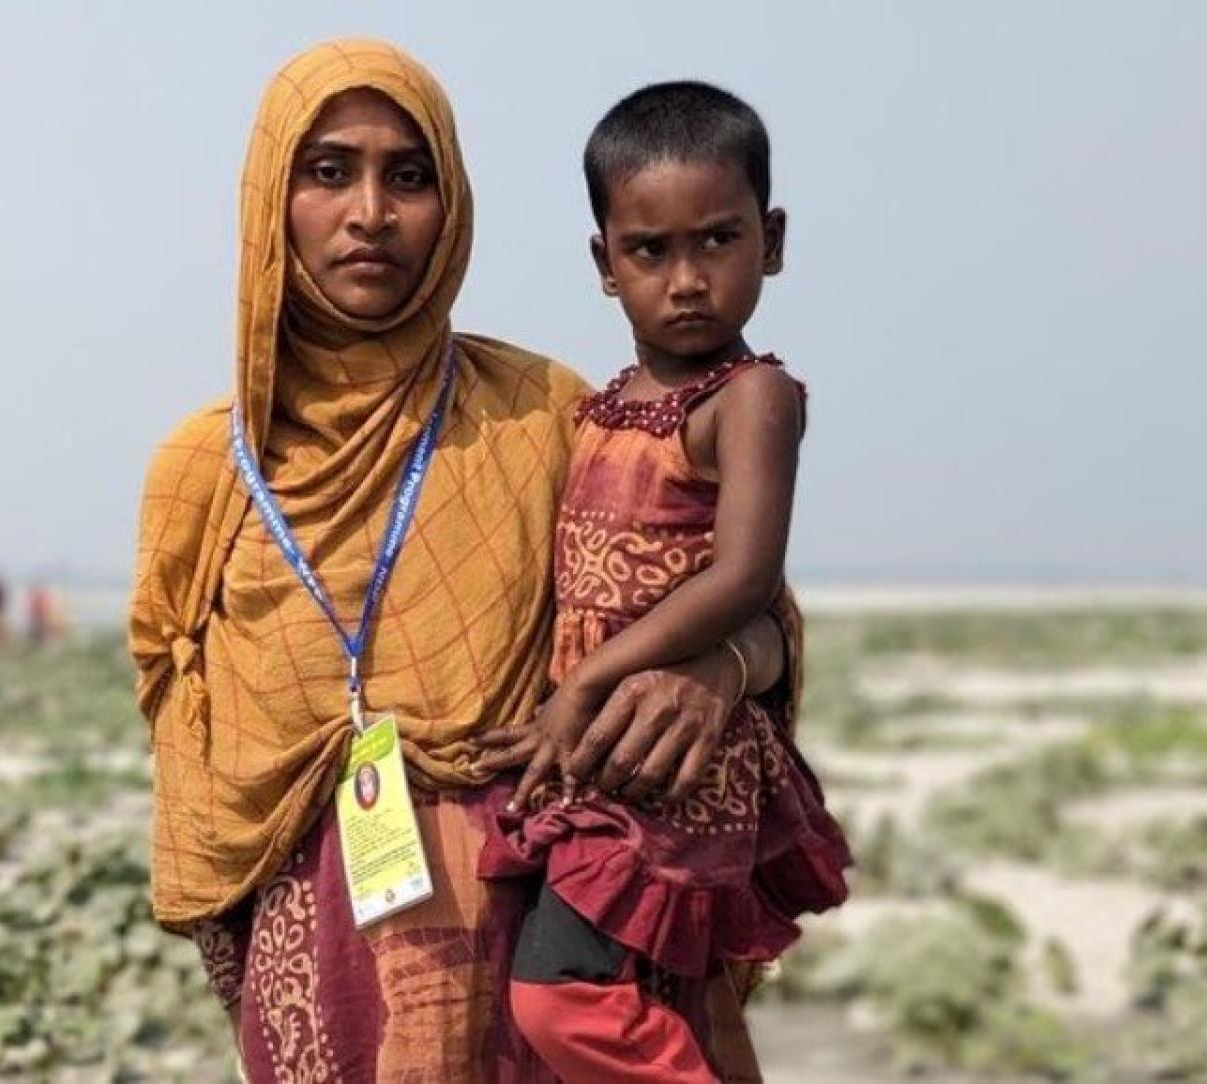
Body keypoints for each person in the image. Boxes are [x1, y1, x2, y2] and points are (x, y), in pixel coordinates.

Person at [131, 40, 792, 1082]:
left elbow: (728, 591)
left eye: (407, 174)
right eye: (326, 170)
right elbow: (191, 751)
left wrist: (721, 671)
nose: (369, 213)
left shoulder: (540, 412)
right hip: (321, 974)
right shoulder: (203, 473)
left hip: (538, 942)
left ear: (453, 203)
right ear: (269, 200)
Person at [476, 82, 852, 1082]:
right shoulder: (596, 408)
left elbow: (741, 575)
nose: (687, 279)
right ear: (605, 264)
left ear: (769, 241)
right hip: (601, 756)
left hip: (672, 761)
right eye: (650, 250)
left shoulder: (750, 398)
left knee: (560, 997)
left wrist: (584, 685)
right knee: (690, 1002)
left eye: (717, 241)